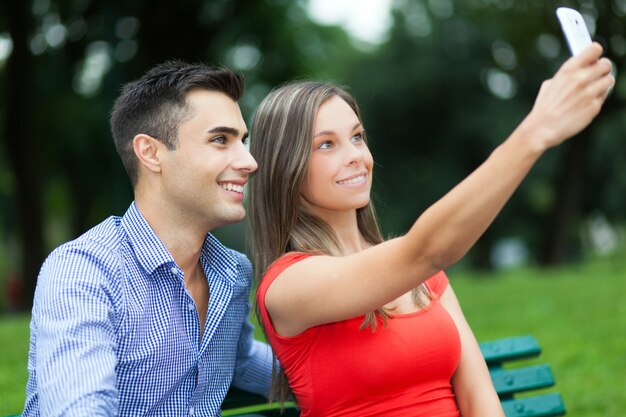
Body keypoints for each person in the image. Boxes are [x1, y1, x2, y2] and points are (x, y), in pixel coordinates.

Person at [247, 43, 614, 417]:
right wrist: (535, 133)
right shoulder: (288, 285)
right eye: (326, 145)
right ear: (285, 168)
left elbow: (477, 398)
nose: (356, 155)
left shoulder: (425, 278)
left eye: (357, 137)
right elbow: (428, 249)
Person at [23, 61, 273, 416]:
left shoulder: (233, 271)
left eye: (242, 141)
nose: (249, 162)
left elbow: (241, 359)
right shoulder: (82, 272)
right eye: (221, 140)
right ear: (151, 153)